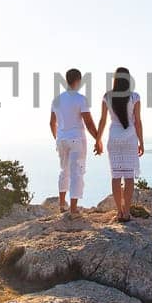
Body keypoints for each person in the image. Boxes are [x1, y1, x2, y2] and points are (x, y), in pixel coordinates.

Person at [48, 68, 101, 217]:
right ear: (78, 81)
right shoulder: (80, 99)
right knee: (76, 172)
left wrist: (57, 138)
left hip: (62, 139)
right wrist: (98, 139)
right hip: (76, 138)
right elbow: (89, 123)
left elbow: (52, 122)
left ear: (66, 80)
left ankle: (61, 204)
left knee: (64, 170)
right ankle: (73, 209)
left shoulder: (56, 100)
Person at [96, 66, 144, 221]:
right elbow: (137, 122)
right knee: (129, 177)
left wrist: (98, 139)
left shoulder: (107, 97)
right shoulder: (134, 97)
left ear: (115, 80)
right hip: (130, 137)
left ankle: (119, 211)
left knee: (116, 176)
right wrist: (141, 142)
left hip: (113, 137)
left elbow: (103, 120)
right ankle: (127, 212)